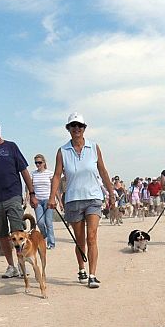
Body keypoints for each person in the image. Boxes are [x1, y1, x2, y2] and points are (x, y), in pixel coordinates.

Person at [48, 113, 116, 288]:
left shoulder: (94, 147)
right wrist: (52, 198)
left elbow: (103, 171)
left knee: (92, 237)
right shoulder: (62, 151)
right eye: (73, 126)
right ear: (68, 129)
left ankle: (93, 275)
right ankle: (81, 268)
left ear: (84, 128)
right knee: (80, 240)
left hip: (93, 197)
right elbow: (57, 176)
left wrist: (111, 192)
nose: (76, 129)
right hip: (73, 199)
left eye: (80, 126)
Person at [0, 118, 37, 279]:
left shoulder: (11, 147)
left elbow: (24, 171)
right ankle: (11, 267)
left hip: (13, 195)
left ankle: (21, 263)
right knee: (2, 234)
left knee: (17, 231)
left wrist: (32, 193)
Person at [31, 153, 56, 249]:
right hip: (37, 200)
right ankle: (44, 235)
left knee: (48, 222)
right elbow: (30, 187)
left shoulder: (49, 173)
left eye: (39, 162)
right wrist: (28, 198)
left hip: (48, 200)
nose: (38, 164)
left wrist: (55, 199)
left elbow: (55, 187)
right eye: (36, 163)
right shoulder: (33, 174)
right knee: (40, 222)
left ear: (44, 162)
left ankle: (51, 243)